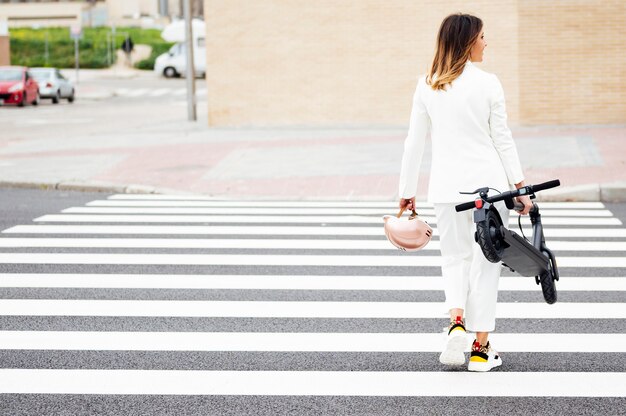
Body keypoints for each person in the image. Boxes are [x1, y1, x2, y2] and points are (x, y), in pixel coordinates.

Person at [397, 13, 532, 372]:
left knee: (454, 259)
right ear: (469, 41)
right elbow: (502, 139)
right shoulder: (489, 84)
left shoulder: (427, 84)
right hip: (487, 189)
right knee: (486, 265)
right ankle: (480, 350)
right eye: (483, 37)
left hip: (446, 190)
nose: (487, 43)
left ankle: (456, 321)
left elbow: (414, 144)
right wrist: (520, 187)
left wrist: (406, 191)